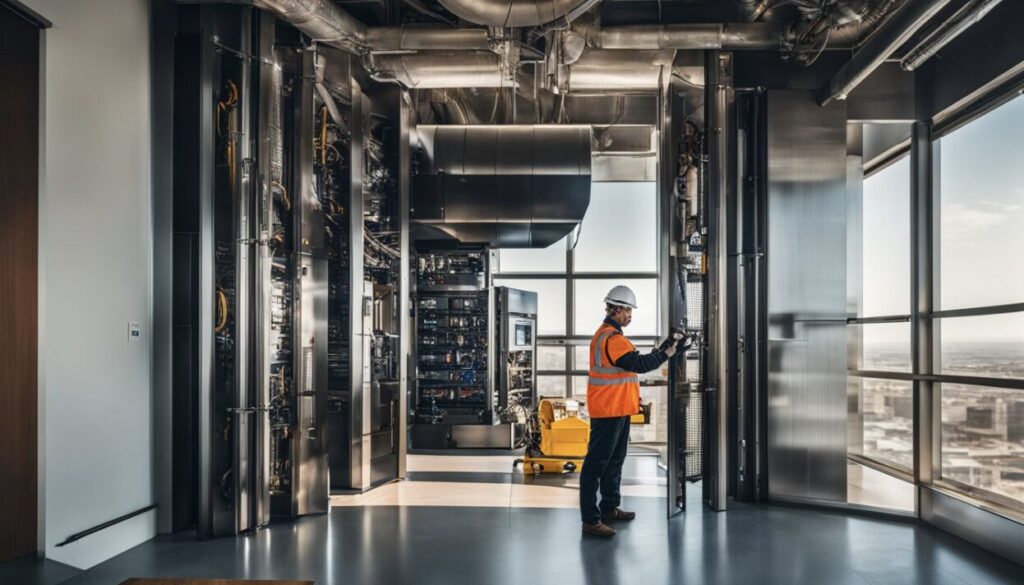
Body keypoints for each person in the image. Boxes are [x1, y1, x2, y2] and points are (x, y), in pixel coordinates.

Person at [580, 285, 686, 537]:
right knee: (596, 465)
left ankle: (609, 508)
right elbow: (639, 364)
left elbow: (635, 359)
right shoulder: (611, 338)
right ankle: (590, 520)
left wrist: (663, 348)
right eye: (627, 310)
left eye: (630, 310)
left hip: (618, 409)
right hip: (608, 411)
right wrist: (669, 351)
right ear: (615, 309)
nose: (630, 315)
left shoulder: (613, 337)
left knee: (614, 462)